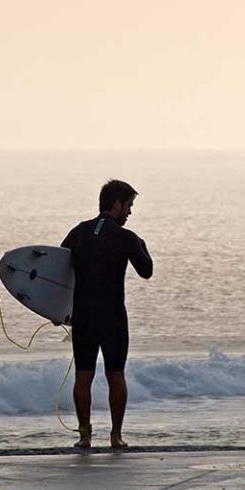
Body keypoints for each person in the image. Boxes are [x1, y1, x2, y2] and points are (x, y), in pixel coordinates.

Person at [61, 180, 153, 449]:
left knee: (83, 376)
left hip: (84, 316)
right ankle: (116, 436)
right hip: (112, 317)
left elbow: (57, 269)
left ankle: (84, 436)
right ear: (116, 204)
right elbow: (147, 270)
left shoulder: (79, 232)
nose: (130, 213)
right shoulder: (126, 238)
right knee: (116, 375)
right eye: (129, 206)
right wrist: (142, 244)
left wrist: (57, 309)